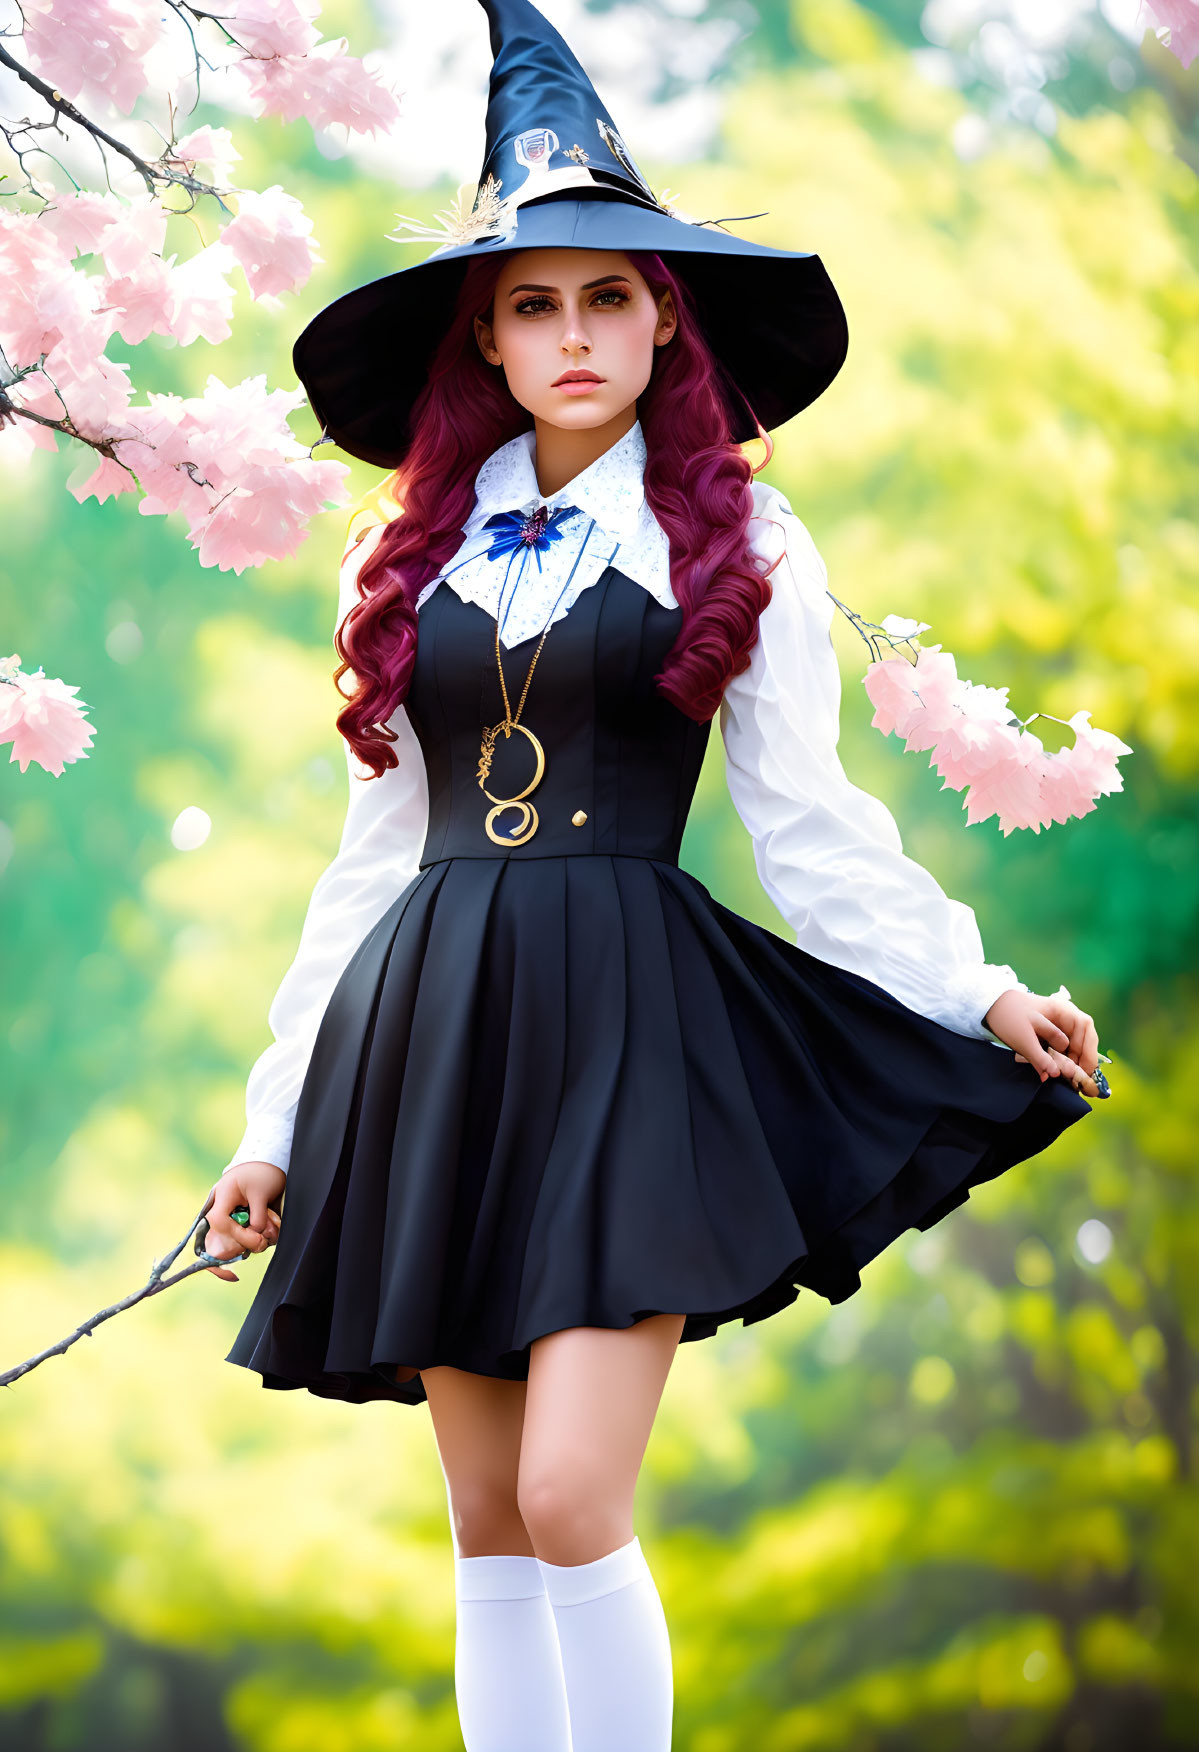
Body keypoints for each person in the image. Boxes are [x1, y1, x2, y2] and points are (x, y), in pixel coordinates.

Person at [202, 2, 1102, 1747]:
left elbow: (810, 826)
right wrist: (273, 1128)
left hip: (630, 1029)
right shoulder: (414, 555)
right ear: (486, 336)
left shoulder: (736, 532)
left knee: (569, 1499)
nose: (573, 332)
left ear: (663, 313)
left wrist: (979, 988)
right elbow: (367, 864)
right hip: (433, 1031)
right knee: (480, 1522)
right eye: (532, 303)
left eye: (609, 293)